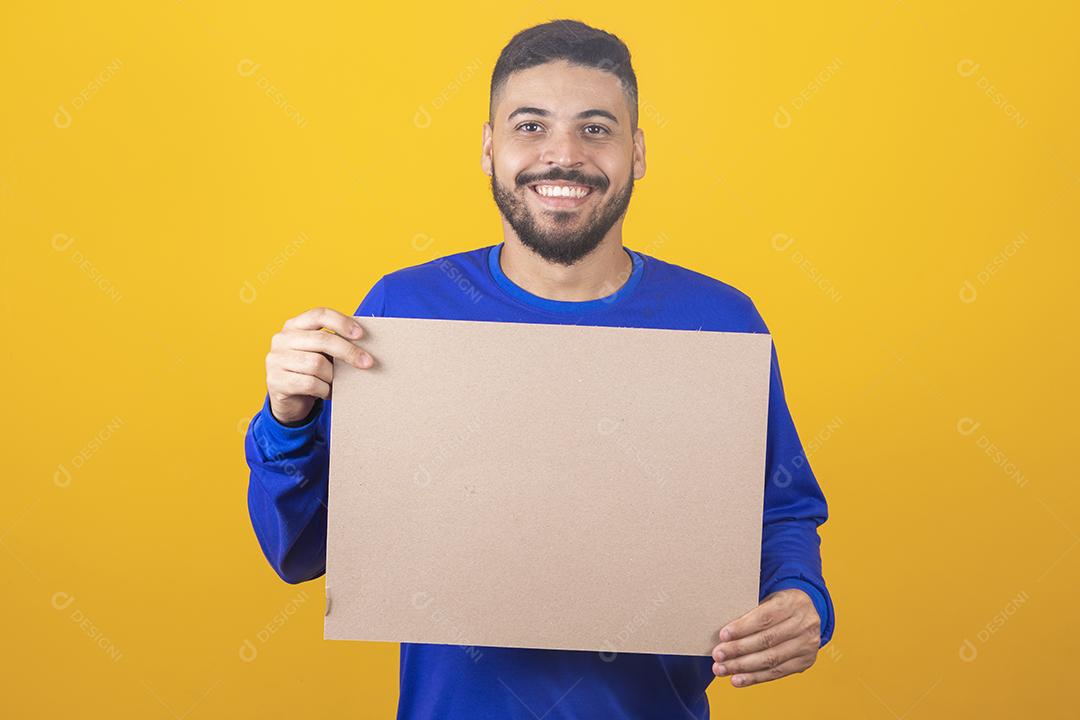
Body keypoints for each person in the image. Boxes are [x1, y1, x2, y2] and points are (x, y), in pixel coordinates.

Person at [245, 18, 834, 718]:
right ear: (490, 150)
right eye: (530, 127)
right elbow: (301, 552)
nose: (563, 155)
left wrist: (804, 598)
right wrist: (289, 419)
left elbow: (781, 508)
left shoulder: (719, 321)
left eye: (596, 129)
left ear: (637, 152)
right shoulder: (406, 313)